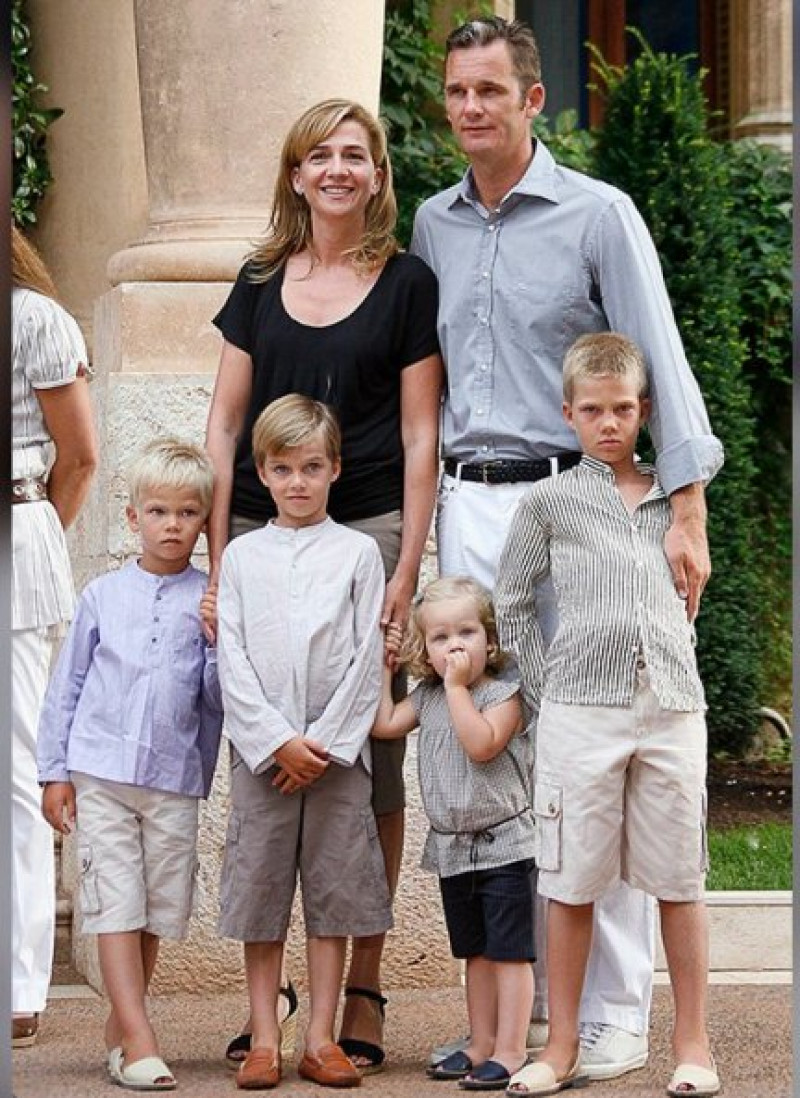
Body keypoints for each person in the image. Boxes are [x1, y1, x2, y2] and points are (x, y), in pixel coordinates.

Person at [410, 15, 723, 1081]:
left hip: (581, 501)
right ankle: (511, 1021)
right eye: (455, 91)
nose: (468, 109)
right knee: (491, 762)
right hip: (472, 505)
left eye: (489, 91)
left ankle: (612, 1014)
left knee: (602, 744)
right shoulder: (432, 224)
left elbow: (660, 364)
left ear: (531, 100)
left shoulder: (600, 214)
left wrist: (683, 513)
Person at [205, 98, 442, 1072]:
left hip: (370, 530)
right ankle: (272, 1014)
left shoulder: (404, 282)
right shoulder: (258, 283)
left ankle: (359, 993)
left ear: (377, 176)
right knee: (272, 761)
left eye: (356, 154)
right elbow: (223, 428)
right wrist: (217, 558)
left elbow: (423, 431)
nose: (338, 169)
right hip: (264, 533)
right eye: (319, 155)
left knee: (365, 771)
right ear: (295, 175)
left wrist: (406, 567)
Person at [496, 332, 719, 1098]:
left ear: (645, 411)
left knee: (680, 878)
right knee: (571, 880)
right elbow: (513, 599)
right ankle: (559, 1046)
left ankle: (691, 1043)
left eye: (623, 409)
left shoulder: (673, 497)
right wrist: (545, 681)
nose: (610, 423)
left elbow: (690, 576)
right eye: (593, 410)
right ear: (569, 414)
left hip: (670, 708)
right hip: (579, 714)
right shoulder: (550, 501)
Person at [215, 394, 391, 1090]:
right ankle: (264, 1034)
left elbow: (364, 657)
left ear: (335, 469)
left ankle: (320, 1035)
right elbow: (231, 655)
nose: (297, 482)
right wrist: (275, 742)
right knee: (262, 893)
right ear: (261, 471)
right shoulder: (241, 556)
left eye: (311, 467)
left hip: (335, 758)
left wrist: (321, 744)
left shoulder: (357, 556)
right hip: (265, 759)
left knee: (334, 893)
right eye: (283, 468)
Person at [37, 439, 223, 1091]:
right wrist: (54, 771)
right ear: (133, 517)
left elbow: (217, 702)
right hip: (102, 773)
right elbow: (67, 685)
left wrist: (216, 641)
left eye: (187, 513)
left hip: (174, 778)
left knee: (154, 910)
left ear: (206, 521)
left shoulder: (210, 599)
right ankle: (141, 1036)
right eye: (159, 511)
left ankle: (124, 1026)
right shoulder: (101, 596)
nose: (173, 525)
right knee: (115, 898)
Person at [373, 576, 536, 1092]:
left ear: (489, 639)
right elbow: (384, 724)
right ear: (427, 648)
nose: (456, 645)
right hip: (453, 849)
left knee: (510, 953)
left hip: (505, 845)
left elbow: (482, 744)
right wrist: (386, 670)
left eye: (467, 632)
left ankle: (511, 1049)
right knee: (475, 952)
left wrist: (457, 688)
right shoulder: (427, 695)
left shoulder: (501, 693)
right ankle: (481, 1042)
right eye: (441, 638)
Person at [11, 224, 98, 1049]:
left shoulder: (35, 318)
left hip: (14, 537)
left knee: (13, 772)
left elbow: (78, 458)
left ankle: (16, 980)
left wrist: (33, 535)